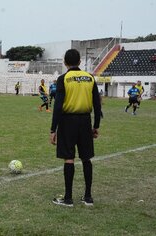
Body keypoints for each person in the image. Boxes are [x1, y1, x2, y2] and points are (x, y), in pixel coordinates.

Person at [50, 49, 101, 207]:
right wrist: (96, 125)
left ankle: (68, 198)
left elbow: (58, 106)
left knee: (69, 158)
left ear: (65, 62)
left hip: (67, 121)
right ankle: (88, 197)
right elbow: (97, 104)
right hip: (85, 120)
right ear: (80, 62)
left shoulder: (63, 78)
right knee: (86, 158)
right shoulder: (90, 78)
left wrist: (53, 129)